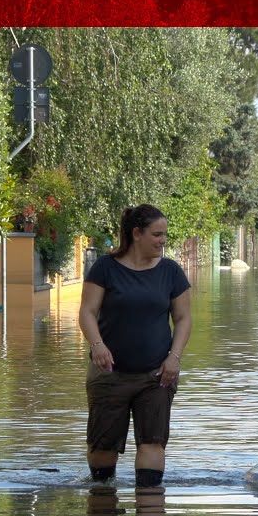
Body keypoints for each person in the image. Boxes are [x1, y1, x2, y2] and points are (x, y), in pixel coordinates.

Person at [79, 204, 191, 487]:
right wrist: (97, 345)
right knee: (103, 448)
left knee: (153, 443)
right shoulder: (105, 267)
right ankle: (104, 515)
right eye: (157, 234)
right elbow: (87, 312)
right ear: (137, 233)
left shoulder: (171, 272)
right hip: (109, 374)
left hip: (156, 375)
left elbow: (184, 319)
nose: (163, 240)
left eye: (164, 234)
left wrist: (174, 358)